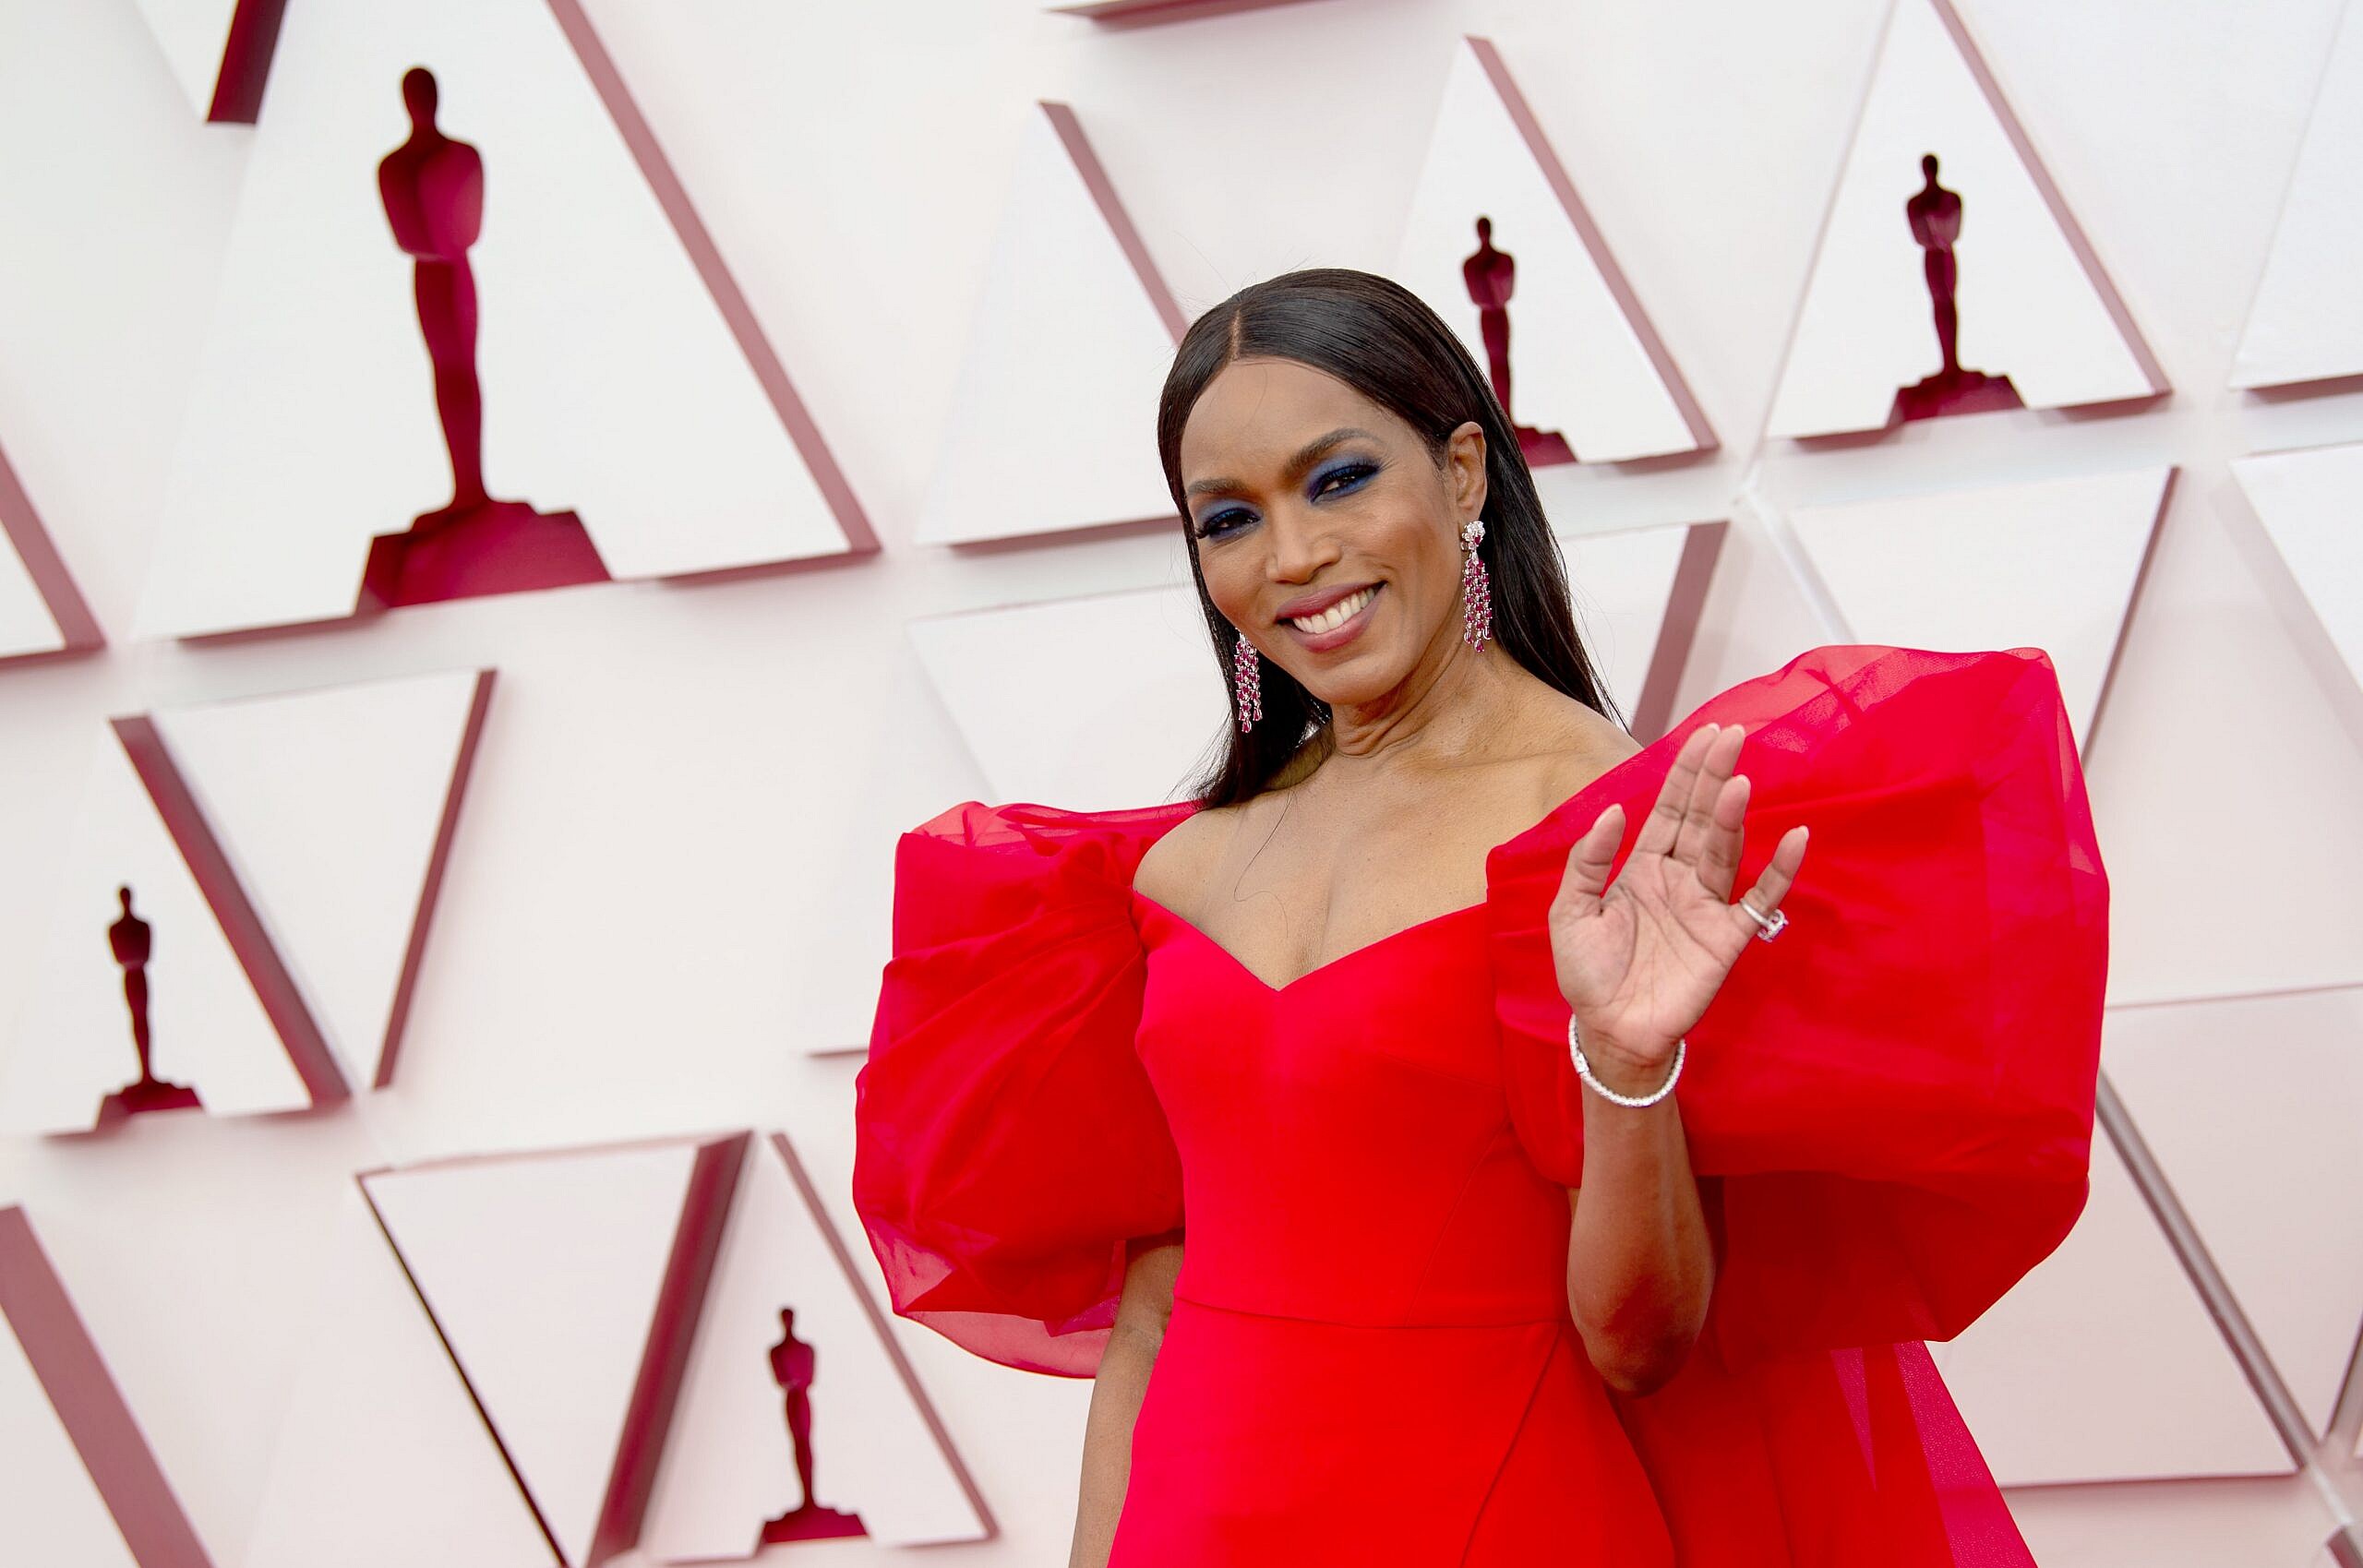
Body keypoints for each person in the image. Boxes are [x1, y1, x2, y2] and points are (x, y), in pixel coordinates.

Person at [853, 267, 2108, 1564]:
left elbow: (1642, 1341)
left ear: (1462, 475)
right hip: (1197, 1522)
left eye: (1338, 479)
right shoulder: (1174, 874)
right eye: (1229, 517)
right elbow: (1155, 1315)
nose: (1291, 557)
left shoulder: (1610, 840)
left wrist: (1629, 1063)